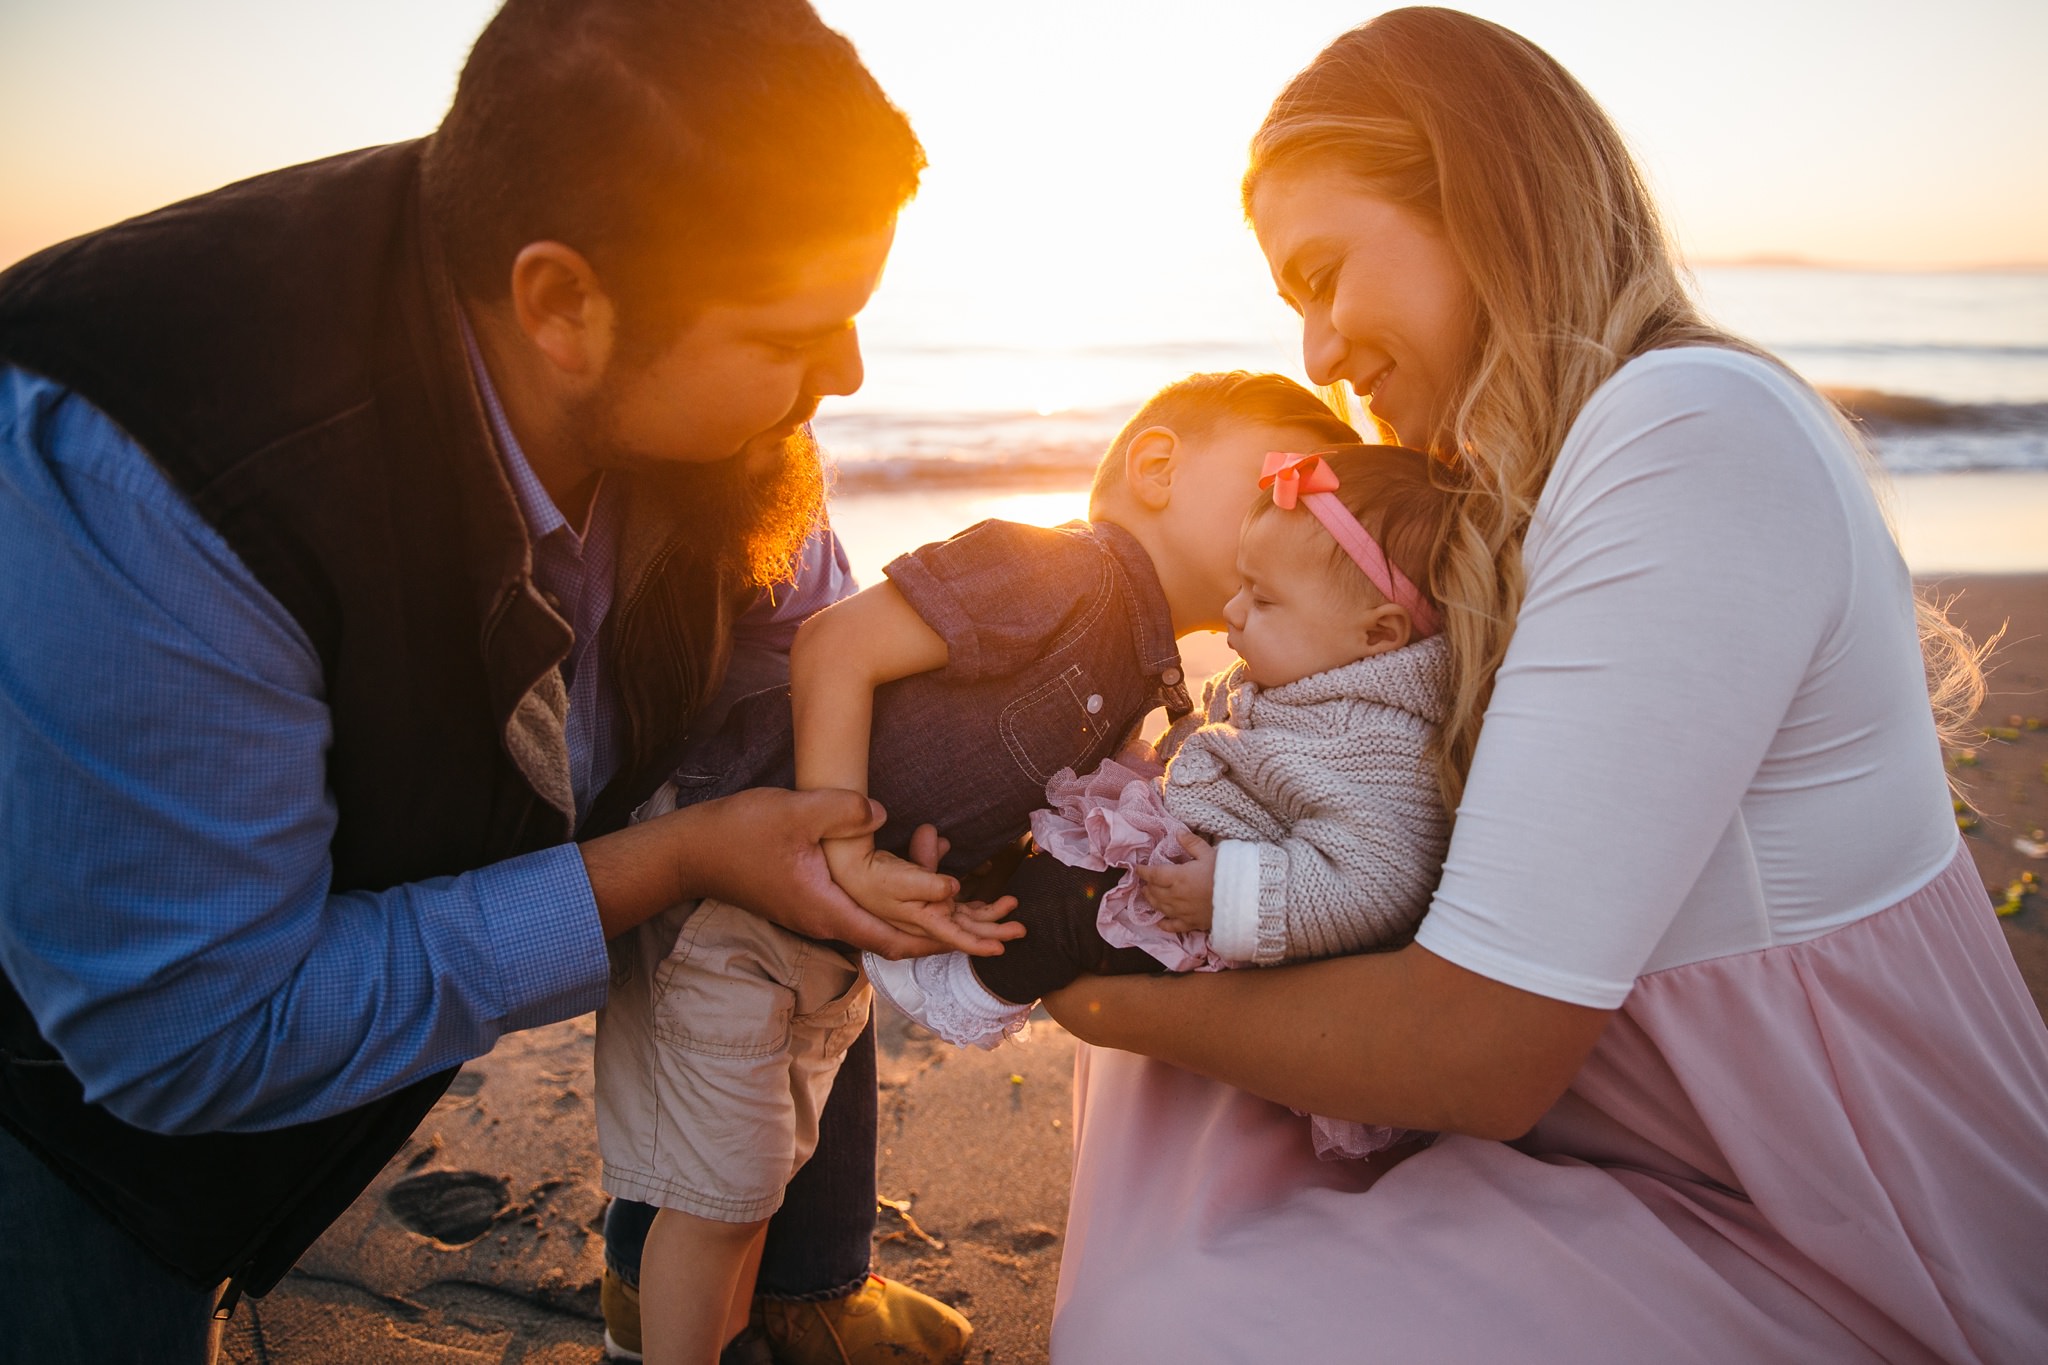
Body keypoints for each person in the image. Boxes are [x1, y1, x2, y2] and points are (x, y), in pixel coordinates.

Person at [1037, 9, 2048, 1361]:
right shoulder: (1541, 476)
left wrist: (1066, 982)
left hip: (1821, 1209)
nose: (1321, 355)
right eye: (1295, 305)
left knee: (1187, 1321)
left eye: (1327, 274)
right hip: (1637, 1130)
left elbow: (1482, 1053)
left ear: (1477, 194)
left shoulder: (1684, 433)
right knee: (1186, 1115)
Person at [0, 3, 973, 1361]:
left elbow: (799, 681)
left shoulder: (685, 367)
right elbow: (190, 1033)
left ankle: (804, 1301)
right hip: (64, 1108)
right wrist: (683, 856)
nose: (848, 376)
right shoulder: (153, 464)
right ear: (560, 302)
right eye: (792, 333)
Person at [592, 370, 1360, 1361]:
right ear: (1158, 466)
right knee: (721, 1194)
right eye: (1274, 493)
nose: (1292, 529)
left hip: (822, 934)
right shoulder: (1060, 573)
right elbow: (834, 644)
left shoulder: (1146, 664)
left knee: (756, 1180)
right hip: (736, 891)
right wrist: (834, 846)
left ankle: (710, 1337)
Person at [873, 445, 1456, 1163]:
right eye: (1242, 585)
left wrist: (1228, 896)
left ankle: (970, 992)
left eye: (1263, 599)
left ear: (1380, 633)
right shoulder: (1330, 672)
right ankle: (968, 915)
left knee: (1068, 906)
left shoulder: (1381, 745)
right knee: (1058, 840)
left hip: (1248, 930)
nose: (1233, 611)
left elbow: (1376, 883)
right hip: (1207, 859)